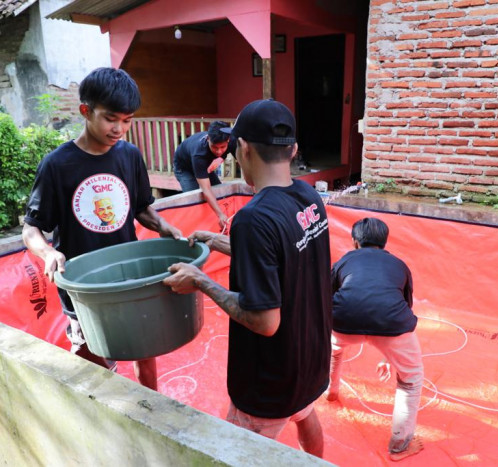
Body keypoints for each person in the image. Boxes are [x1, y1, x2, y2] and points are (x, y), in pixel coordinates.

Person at [163, 99, 332, 457]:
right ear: (294, 149)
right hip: (308, 359)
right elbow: (281, 255)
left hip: (270, 377)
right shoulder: (309, 196)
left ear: (243, 148)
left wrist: (201, 282)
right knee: (305, 414)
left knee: (231, 453)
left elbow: (265, 320)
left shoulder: (254, 218)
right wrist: (217, 240)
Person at [22, 67, 182, 391]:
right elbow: (31, 229)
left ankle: (154, 414)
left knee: (145, 352)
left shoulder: (130, 156)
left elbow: (140, 208)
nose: (119, 129)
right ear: (85, 111)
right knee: (93, 372)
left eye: (127, 120)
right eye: (111, 118)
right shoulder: (57, 165)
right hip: (85, 291)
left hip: (130, 281)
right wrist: (47, 253)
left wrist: (164, 225)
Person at [326, 217, 424, 461]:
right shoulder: (399, 265)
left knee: (334, 351)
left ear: (355, 242)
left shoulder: (344, 260)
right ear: (385, 242)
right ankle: (400, 444)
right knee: (411, 381)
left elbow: (327, 296)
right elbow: (402, 307)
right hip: (392, 326)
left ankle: (331, 390)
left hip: (343, 323)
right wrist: (391, 355)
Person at [173, 120, 237, 231]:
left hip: (205, 165)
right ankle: (196, 230)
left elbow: (244, 163)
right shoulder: (199, 153)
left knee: (219, 193)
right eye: (215, 147)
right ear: (208, 140)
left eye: (222, 147)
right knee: (194, 200)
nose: (219, 151)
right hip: (184, 168)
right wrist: (220, 214)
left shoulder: (231, 141)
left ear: (228, 140)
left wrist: (221, 158)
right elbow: (206, 189)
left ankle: (219, 225)